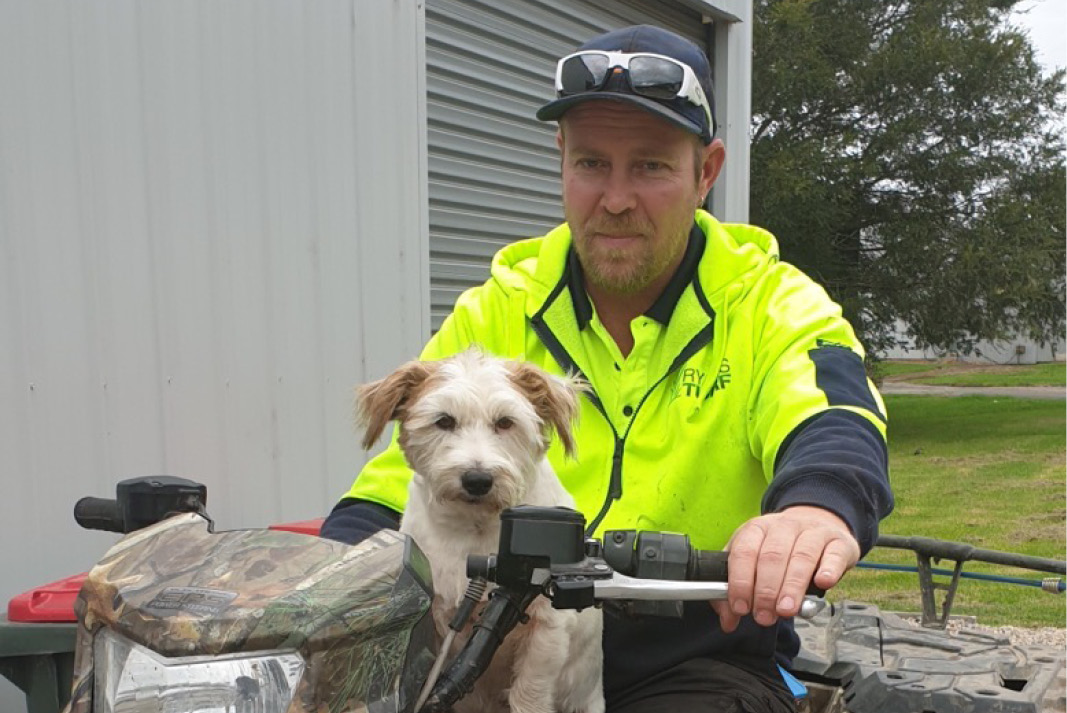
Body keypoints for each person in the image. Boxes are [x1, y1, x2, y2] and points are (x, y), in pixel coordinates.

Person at [321, 24, 893, 713]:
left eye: (650, 166)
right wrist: (323, 582)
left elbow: (832, 412)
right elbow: (394, 483)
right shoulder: (499, 305)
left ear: (705, 171)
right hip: (498, 651)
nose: (615, 199)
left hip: (698, 658)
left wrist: (813, 506)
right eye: (591, 163)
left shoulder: (769, 301)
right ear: (560, 158)